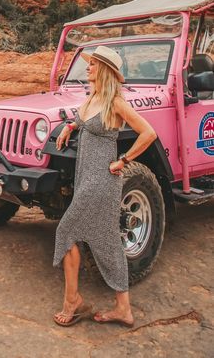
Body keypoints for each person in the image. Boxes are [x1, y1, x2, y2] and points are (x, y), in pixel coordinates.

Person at [52, 45, 157, 327]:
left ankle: (72, 302)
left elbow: (148, 133)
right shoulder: (92, 97)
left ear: (105, 71)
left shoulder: (116, 102)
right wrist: (69, 127)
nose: (87, 68)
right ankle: (123, 308)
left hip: (102, 179)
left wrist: (124, 159)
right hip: (85, 175)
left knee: (67, 231)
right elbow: (81, 120)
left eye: (93, 64)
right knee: (107, 241)